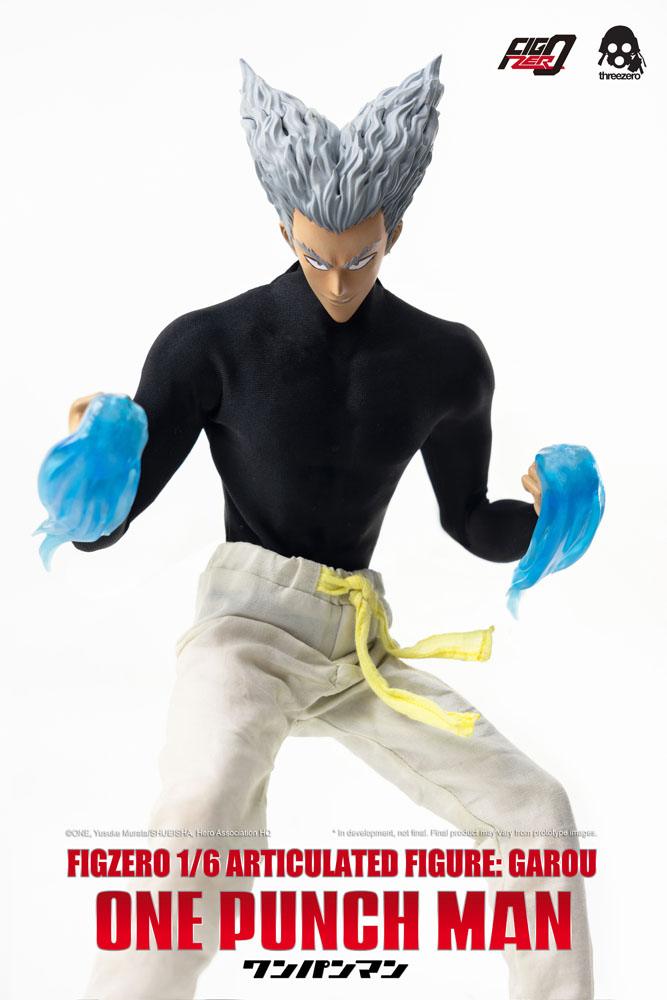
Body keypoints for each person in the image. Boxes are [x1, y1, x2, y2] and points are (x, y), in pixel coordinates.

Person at [74, 57, 593, 1000]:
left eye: (361, 256)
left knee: (536, 810)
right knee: (198, 811)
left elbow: (470, 521)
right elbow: (102, 529)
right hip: (243, 630)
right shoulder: (210, 343)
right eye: (317, 256)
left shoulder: (444, 359)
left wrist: (549, 516)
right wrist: (93, 469)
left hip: (358, 645)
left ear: (393, 231)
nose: (340, 279)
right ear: (284, 227)